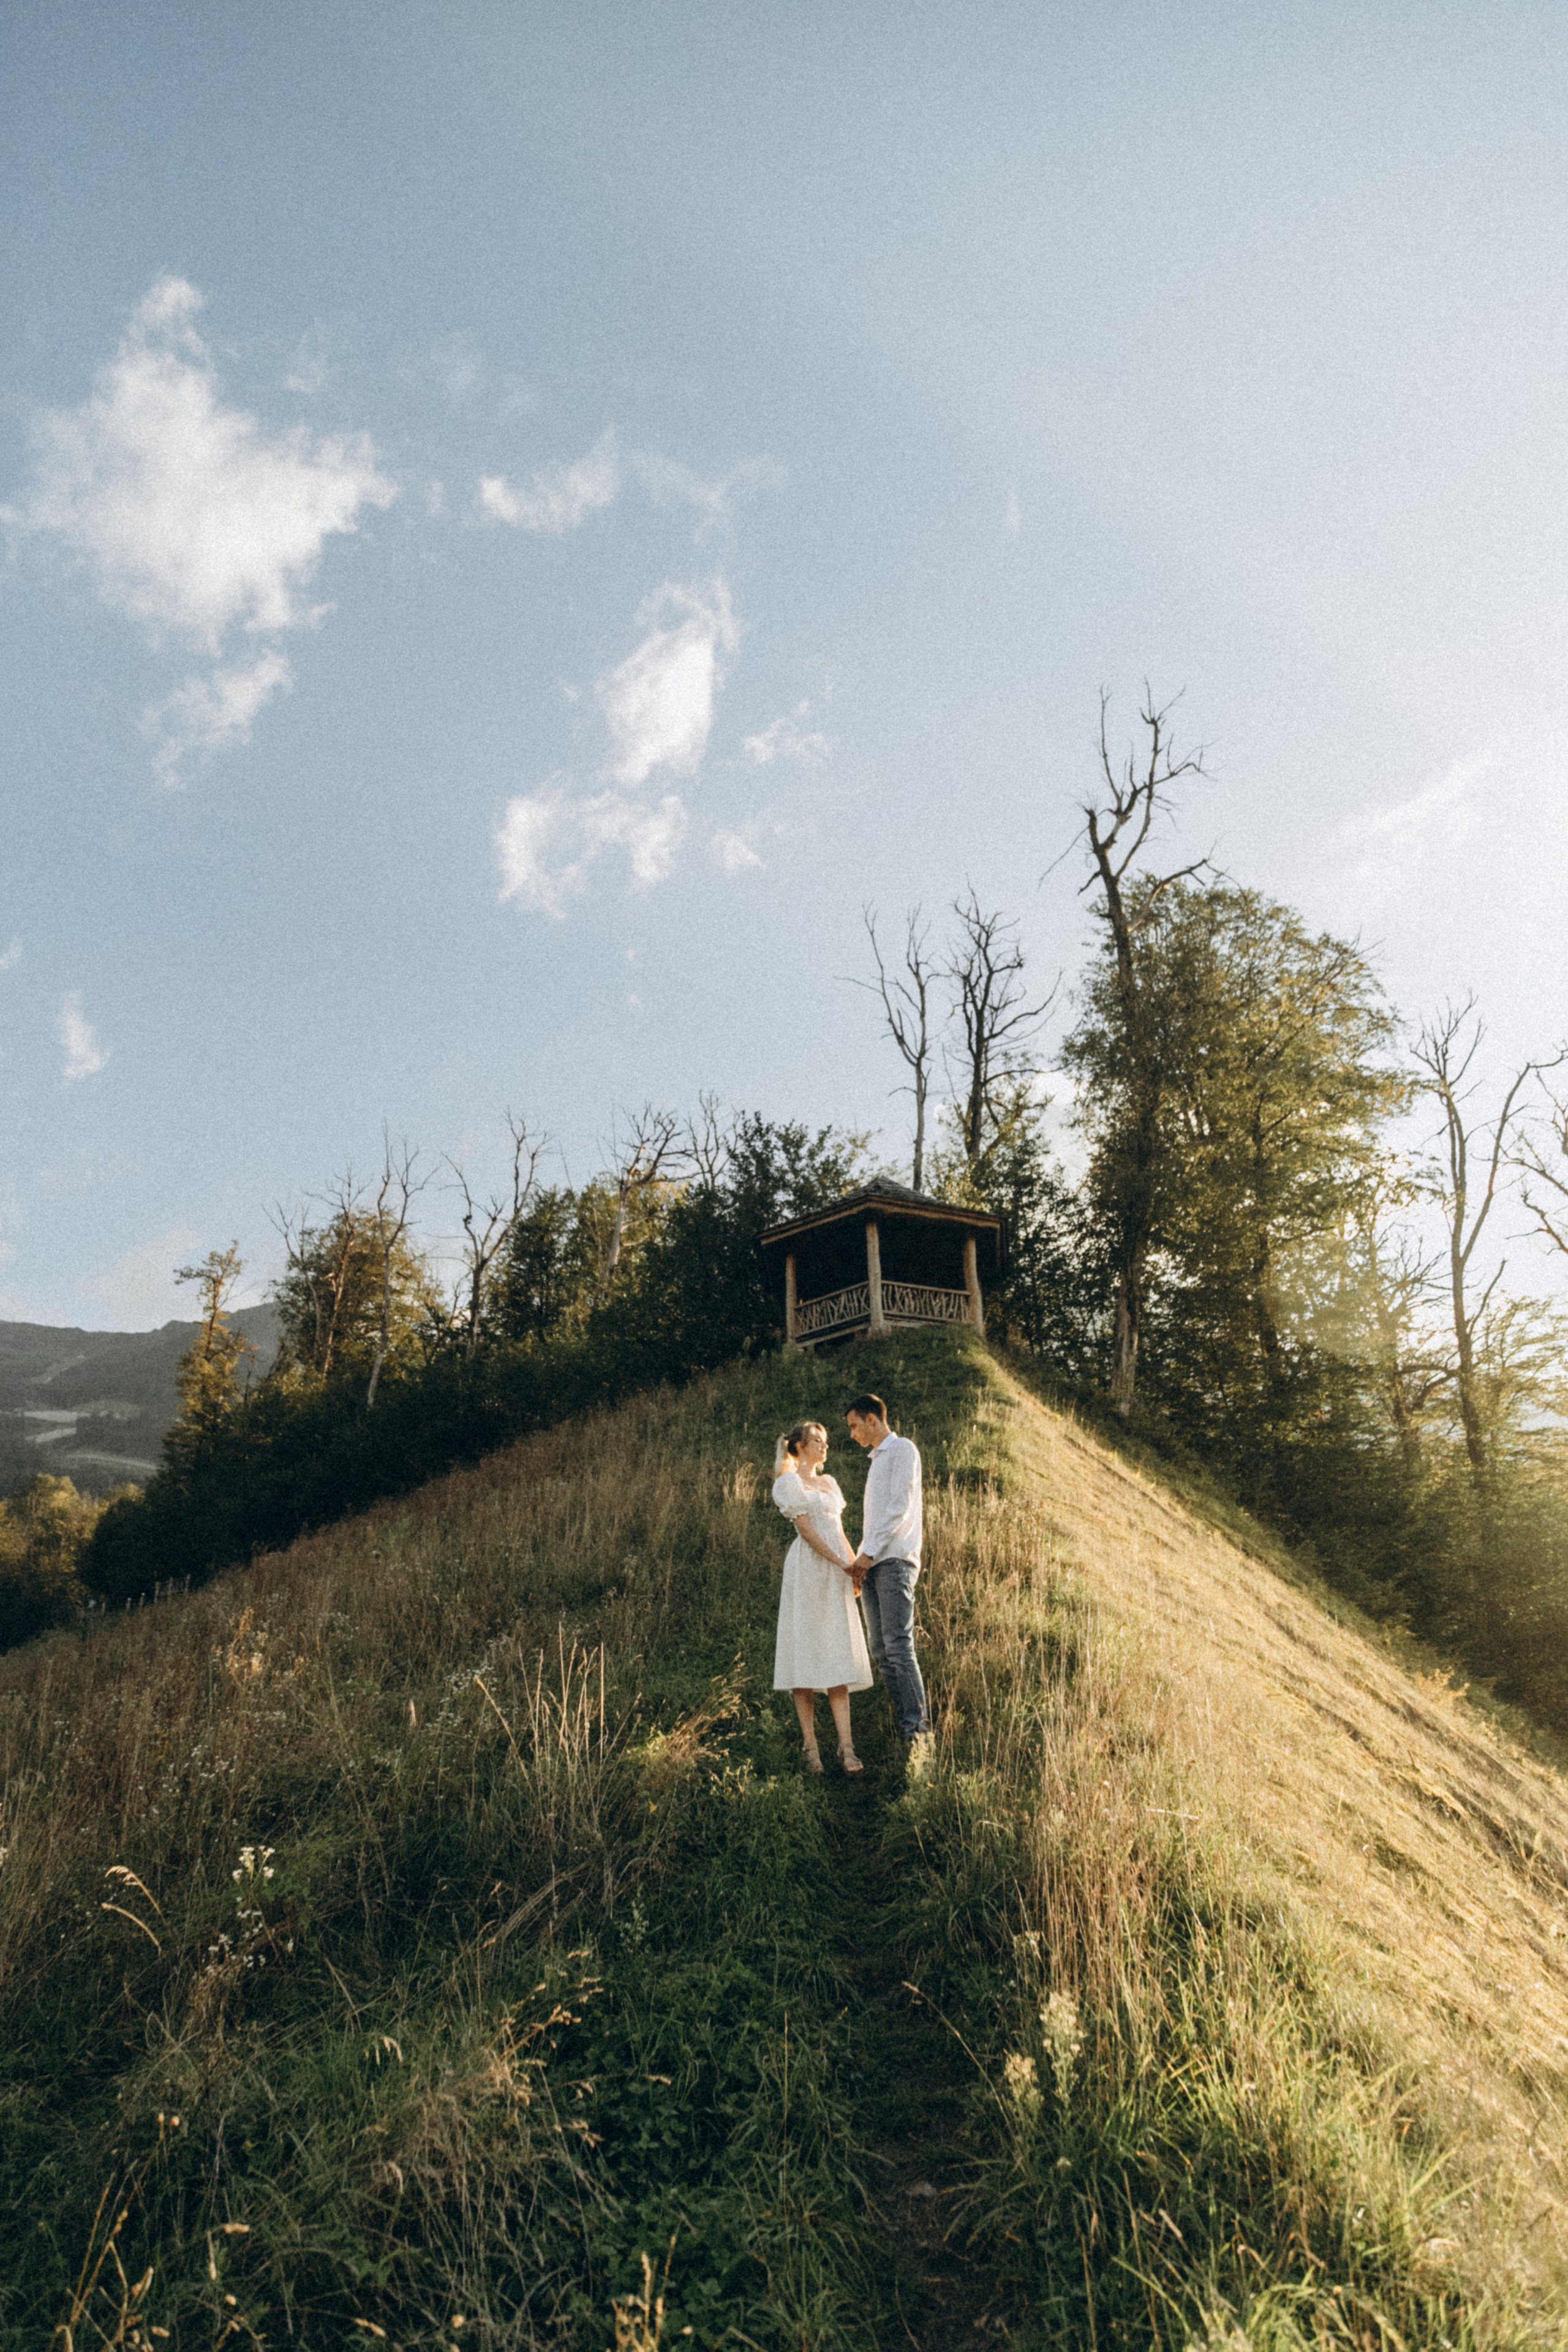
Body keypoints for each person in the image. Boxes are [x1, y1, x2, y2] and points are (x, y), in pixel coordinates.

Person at [771, 1420, 871, 1773]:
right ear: (798, 1446)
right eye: (817, 1440)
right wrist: (836, 1562)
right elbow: (807, 1530)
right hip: (808, 1571)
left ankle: (847, 1747)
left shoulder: (829, 1483)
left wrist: (853, 1568)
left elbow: (838, 1530)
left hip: (836, 1572)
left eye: (825, 1440)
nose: (824, 1445)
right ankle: (811, 1747)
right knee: (805, 1652)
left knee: (836, 1651)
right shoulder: (788, 1483)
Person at [845, 1391, 930, 1745]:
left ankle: (919, 1733)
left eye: (854, 1426)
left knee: (898, 1645)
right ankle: (905, 1725)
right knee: (880, 1651)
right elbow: (874, 1521)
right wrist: (860, 1565)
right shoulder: (876, 1461)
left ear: (872, 1419)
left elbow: (899, 1507)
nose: (852, 1435)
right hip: (874, 1563)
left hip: (895, 1560)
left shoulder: (903, 1450)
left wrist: (869, 1555)